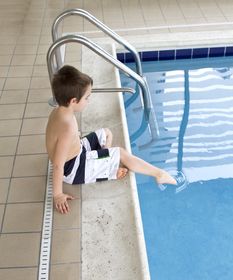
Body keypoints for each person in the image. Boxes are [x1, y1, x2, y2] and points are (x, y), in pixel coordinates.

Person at [46, 65, 176, 214]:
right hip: (73, 169)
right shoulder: (67, 127)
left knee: (106, 133)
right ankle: (158, 174)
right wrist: (57, 195)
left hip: (78, 152)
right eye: (87, 98)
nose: (89, 100)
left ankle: (103, 161)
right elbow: (57, 165)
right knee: (120, 153)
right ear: (74, 101)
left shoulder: (60, 111)